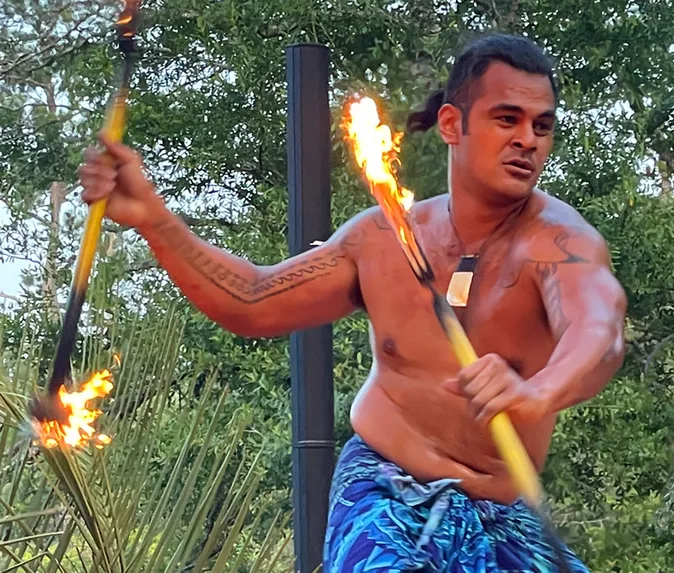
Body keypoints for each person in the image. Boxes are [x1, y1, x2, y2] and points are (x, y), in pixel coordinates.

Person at [78, 32, 627, 572]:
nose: (527, 139)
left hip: (504, 517)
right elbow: (252, 299)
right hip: (381, 495)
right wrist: (155, 219)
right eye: (507, 119)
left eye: (542, 126)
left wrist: (536, 392)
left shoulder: (559, 243)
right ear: (453, 125)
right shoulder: (381, 238)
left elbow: (598, 333)